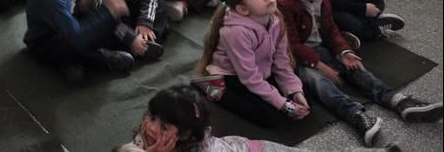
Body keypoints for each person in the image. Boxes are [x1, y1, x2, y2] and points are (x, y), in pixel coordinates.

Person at [276, 0, 443, 145]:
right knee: (320, 83)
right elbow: (292, 45)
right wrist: (320, 65)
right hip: (296, 59)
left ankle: (397, 100)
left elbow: (330, 29)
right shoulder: (283, 4)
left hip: (319, 47)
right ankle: (355, 115)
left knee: (355, 67)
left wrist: (343, 51)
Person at [118, 85, 403, 152]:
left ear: (185, 136)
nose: (150, 127)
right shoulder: (147, 137)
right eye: (151, 117)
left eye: (163, 126)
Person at [193, 0, 308, 128]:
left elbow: (282, 61)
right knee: (272, 118)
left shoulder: (276, 20)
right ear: (243, 9)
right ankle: (214, 89)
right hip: (233, 75)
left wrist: (294, 91)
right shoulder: (235, 33)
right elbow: (249, 77)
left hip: (261, 69)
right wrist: (283, 104)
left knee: (302, 93)